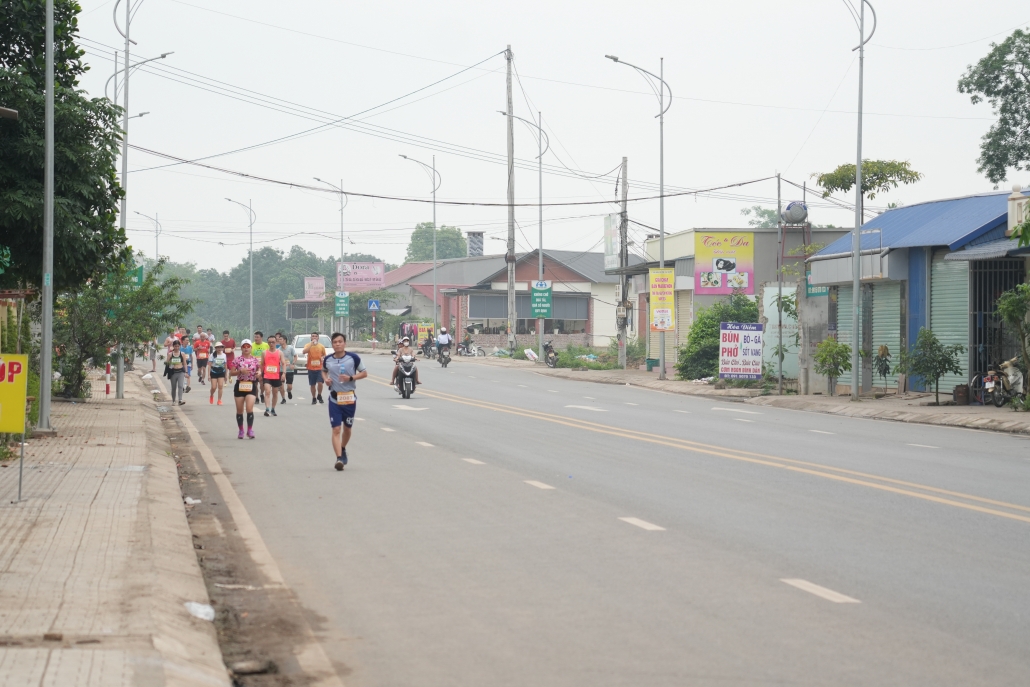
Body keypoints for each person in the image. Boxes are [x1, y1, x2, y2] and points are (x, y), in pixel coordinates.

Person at [322, 332, 367, 471]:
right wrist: (326, 379)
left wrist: (351, 378)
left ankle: (342, 447)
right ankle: (339, 458)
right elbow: (323, 371)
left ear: (344, 343)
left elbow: (364, 373)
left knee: (347, 428)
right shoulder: (328, 359)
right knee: (336, 429)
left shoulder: (353, 358)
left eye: (340, 341)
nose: (337, 344)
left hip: (349, 398)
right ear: (332, 344)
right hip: (334, 399)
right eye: (335, 342)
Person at [230, 339, 260, 439]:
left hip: (251, 385)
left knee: (249, 408)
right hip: (240, 386)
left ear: (251, 348)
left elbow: (259, 371)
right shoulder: (237, 360)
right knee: (239, 410)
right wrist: (240, 371)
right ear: (241, 348)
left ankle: (250, 430)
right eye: (244, 347)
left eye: (248, 347)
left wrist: (259, 373)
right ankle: (241, 430)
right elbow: (231, 373)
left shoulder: (255, 360)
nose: (246, 349)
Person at [260, 337, 286, 417]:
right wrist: (260, 374)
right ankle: (267, 409)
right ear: (267, 343)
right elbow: (262, 364)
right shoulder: (264, 353)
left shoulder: (279, 353)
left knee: (275, 393)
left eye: (273, 342)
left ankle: (273, 409)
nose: (271, 344)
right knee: (267, 391)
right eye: (270, 342)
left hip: (276, 376)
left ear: (276, 342)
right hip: (267, 375)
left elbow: (283, 363)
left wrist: (284, 373)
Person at [303, 331, 327, 405]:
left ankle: (319, 395)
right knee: (312, 384)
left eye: (315, 336)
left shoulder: (321, 346)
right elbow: (304, 352)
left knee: (320, 382)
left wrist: (323, 358)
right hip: (311, 368)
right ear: (310, 338)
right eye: (313, 336)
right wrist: (311, 345)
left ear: (318, 338)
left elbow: (324, 355)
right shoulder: (307, 345)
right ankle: (314, 398)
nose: (314, 337)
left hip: (320, 368)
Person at [165, 339, 187, 405]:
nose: (177, 348)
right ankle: (173, 400)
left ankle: (180, 399)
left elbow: (184, 363)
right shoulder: (170, 354)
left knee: (180, 386)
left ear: (179, 346)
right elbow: (167, 363)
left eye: (178, 346)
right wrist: (170, 363)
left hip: (180, 372)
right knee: (173, 387)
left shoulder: (182, 354)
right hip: (173, 372)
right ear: (173, 346)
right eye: (175, 346)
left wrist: (186, 372)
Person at [251, 332, 269, 402]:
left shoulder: (266, 345)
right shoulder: (251, 345)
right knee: (255, 384)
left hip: (263, 368)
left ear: (261, 338)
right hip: (254, 368)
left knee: (262, 384)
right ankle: (256, 397)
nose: (256, 338)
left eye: (257, 337)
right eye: (255, 337)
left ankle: (262, 394)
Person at [280, 333, 297, 402]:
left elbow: (295, 356)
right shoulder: (278, 350)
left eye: (280, 339)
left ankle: (289, 391)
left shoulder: (290, 348)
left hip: (289, 370)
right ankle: (283, 398)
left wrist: (293, 364)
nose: (279, 341)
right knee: (281, 385)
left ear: (284, 340)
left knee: (289, 386)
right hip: (281, 370)